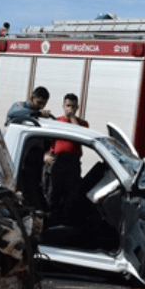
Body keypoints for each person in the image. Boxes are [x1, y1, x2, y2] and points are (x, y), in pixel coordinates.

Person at [43, 93, 89, 224]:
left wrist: (72, 119)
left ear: (77, 107)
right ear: (63, 106)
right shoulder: (56, 122)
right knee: (52, 195)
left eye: (73, 106)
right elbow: (45, 142)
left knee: (71, 197)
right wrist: (45, 155)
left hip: (72, 164)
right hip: (56, 163)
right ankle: (50, 223)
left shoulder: (82, 124)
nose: (70, 109)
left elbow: (81, 136)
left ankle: (65, 225)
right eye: (68, 106)